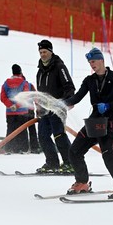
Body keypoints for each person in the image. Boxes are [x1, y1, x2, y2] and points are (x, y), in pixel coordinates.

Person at [65, 47, 113, 198]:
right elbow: (77, 97)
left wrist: (109, 105)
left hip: (109, 122)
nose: (91, 64)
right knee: (74, 151)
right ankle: (82, 182)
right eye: (89, 62)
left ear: (101, 60)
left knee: (107, 153)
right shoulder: (89, 80)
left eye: (93, 61)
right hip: (94, 122)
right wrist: (61, 103)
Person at [35, 39, 75, 173]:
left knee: (59, 135)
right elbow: (40, 93)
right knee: (42, 136)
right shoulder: (40, 71)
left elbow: (69, 86)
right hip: (45, 110)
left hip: (57, 108)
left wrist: (65, 102)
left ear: (51, 52)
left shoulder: (59, 67)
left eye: (45, 52)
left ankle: (70, 163)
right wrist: (39, 108)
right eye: (40, 52)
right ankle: (52, 162)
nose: (42, 55)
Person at [0, 64, 39, 154]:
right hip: (23, 111)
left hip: (10, 112)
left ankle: (9, 148)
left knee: (10, 129)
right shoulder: (25, 83)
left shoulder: (6, 83)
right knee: (23, 130)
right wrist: (17, 106)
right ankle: (24, 148)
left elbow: (3, 97)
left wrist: (10, 106)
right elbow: (27, 97)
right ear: (21, 73)